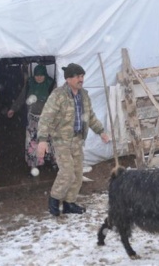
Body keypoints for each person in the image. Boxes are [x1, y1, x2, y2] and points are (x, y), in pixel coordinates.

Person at [36, 63, 110, 216]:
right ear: (68, 78)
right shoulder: (58, 95)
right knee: (67, 172)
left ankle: (69, 203)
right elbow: (46, 118)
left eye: (82, 76)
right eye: (77, 76)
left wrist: (101, 131)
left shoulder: (84, 95)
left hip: (77, 140)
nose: (81, 79)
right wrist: (42, 140)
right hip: (61, 141)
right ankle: (54, 200)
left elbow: (90, 117)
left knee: (77, 173)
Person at [7, 64, 55, 176]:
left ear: (45, 75)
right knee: (32, 142)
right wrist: (13, 108)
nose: (38, 78)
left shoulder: (51, 84)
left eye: (41, 75)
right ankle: (34, 165)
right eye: (37, 75)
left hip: (47, 120)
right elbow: (22, 97)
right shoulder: (30, 83)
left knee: (49, 141)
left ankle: (51, 162)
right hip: (32, 118)